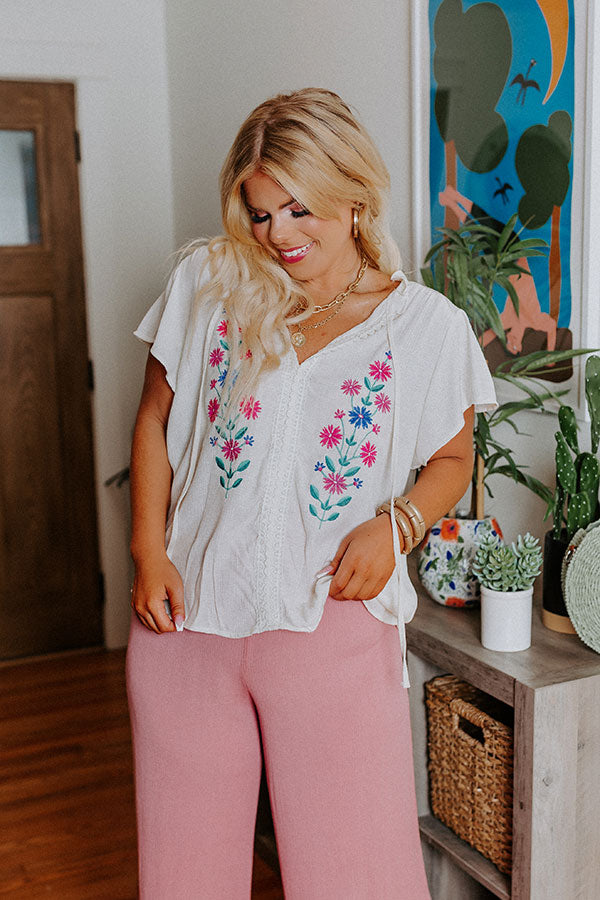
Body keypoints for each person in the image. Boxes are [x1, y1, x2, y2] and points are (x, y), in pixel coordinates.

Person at [126, 88, 497, 900]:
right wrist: (148, 550)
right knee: (184, 878)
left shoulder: (424, 328)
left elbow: (453, 457)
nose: (278, 235)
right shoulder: (211, 282)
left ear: (354, 195)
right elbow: (153, 419)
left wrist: (395, 526)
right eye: (259, 214)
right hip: (187, 617)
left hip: (330, 620)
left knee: (357, 879)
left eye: (300, 209)